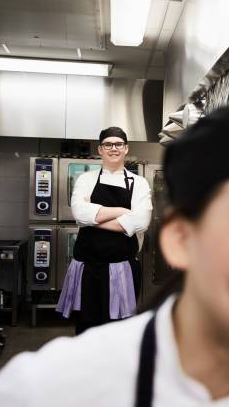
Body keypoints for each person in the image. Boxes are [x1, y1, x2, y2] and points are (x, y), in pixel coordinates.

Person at [0, 106, 229, 407]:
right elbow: (84, 213)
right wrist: (116, 219)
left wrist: (105, 218)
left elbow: (133, 219)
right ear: (180, 240)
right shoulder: (46, 389)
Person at [60, 127, 152, 335]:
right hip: (87, 268)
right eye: (108, 144)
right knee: (86, 327)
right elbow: (80, 215)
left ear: (126, 149)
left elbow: (140, 222)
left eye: (118, 144)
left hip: (122, 269)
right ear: (100, 150)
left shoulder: (138, 183)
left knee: (118, 330)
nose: (113, 148)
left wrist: (94, 218)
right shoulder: (86, 179)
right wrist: (121, 211)